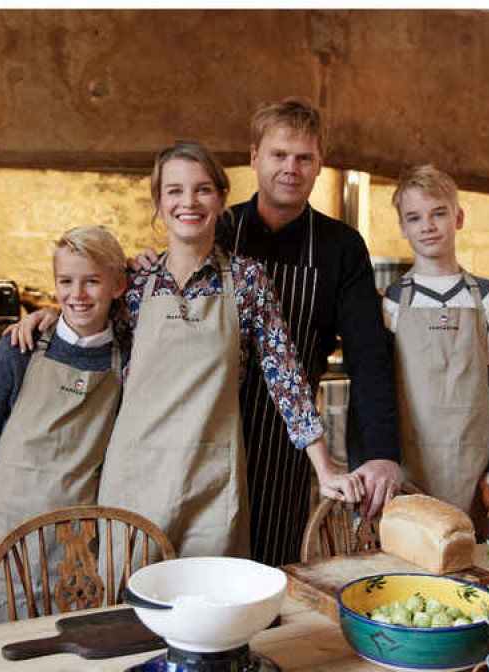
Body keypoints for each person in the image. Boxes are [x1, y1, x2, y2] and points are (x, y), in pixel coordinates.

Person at [97, 141, 362, 561]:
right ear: (159, 202)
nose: (189, 201)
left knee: (210, 612)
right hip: (135, 477)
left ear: (222, 200)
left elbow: (285, 375)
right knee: (133, 614)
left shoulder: (247, 280)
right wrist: (40, 321)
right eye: (175, 191)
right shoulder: (132, 283)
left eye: (203, 189)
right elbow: (85, 336)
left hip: (211, 480)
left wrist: (324, 468)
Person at [219, 98, 400, 565]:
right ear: (254, 156)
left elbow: (368, 355)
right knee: (207, 561)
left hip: (291, 439)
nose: (290, 168)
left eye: (304, 157)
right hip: (212, 426)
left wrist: (380, 452)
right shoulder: (218, 230)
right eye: (279, 155)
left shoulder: (341, 247)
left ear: (320, 164)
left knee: (273, 567)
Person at [0, 224, 129, 626]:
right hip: (4, 541)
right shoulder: (18, 348)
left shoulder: (128, 356)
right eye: (65, 282)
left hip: (80, 547)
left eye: (92, 282)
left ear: (118, 286)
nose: (76, 295)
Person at [382, 164, 489, 523]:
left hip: (479, 478)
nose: (428, 226)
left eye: (439, 213)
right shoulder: (390, 303)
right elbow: (376, 401)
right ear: (403, 227)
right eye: (414, 218)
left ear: (459, 217)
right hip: (407, 481)